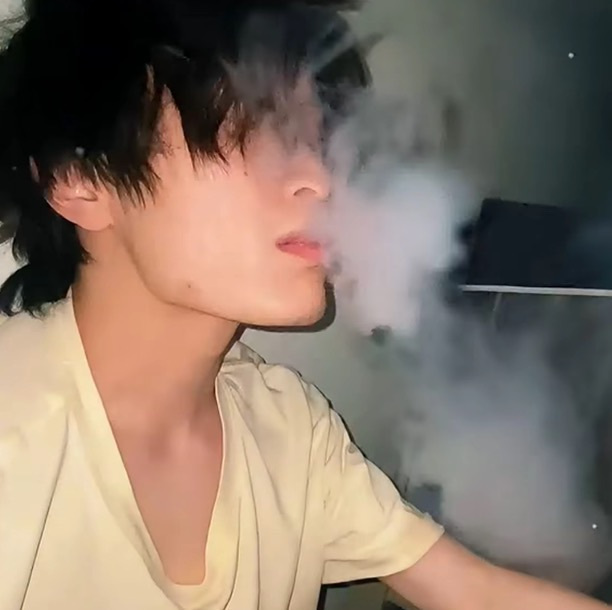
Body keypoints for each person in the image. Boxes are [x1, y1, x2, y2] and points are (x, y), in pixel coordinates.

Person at [0, 1, 608, 609]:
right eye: (252, 132)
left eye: (317, 139)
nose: (320, 177)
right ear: (78, 182)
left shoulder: (288, 424)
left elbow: (478, 593)